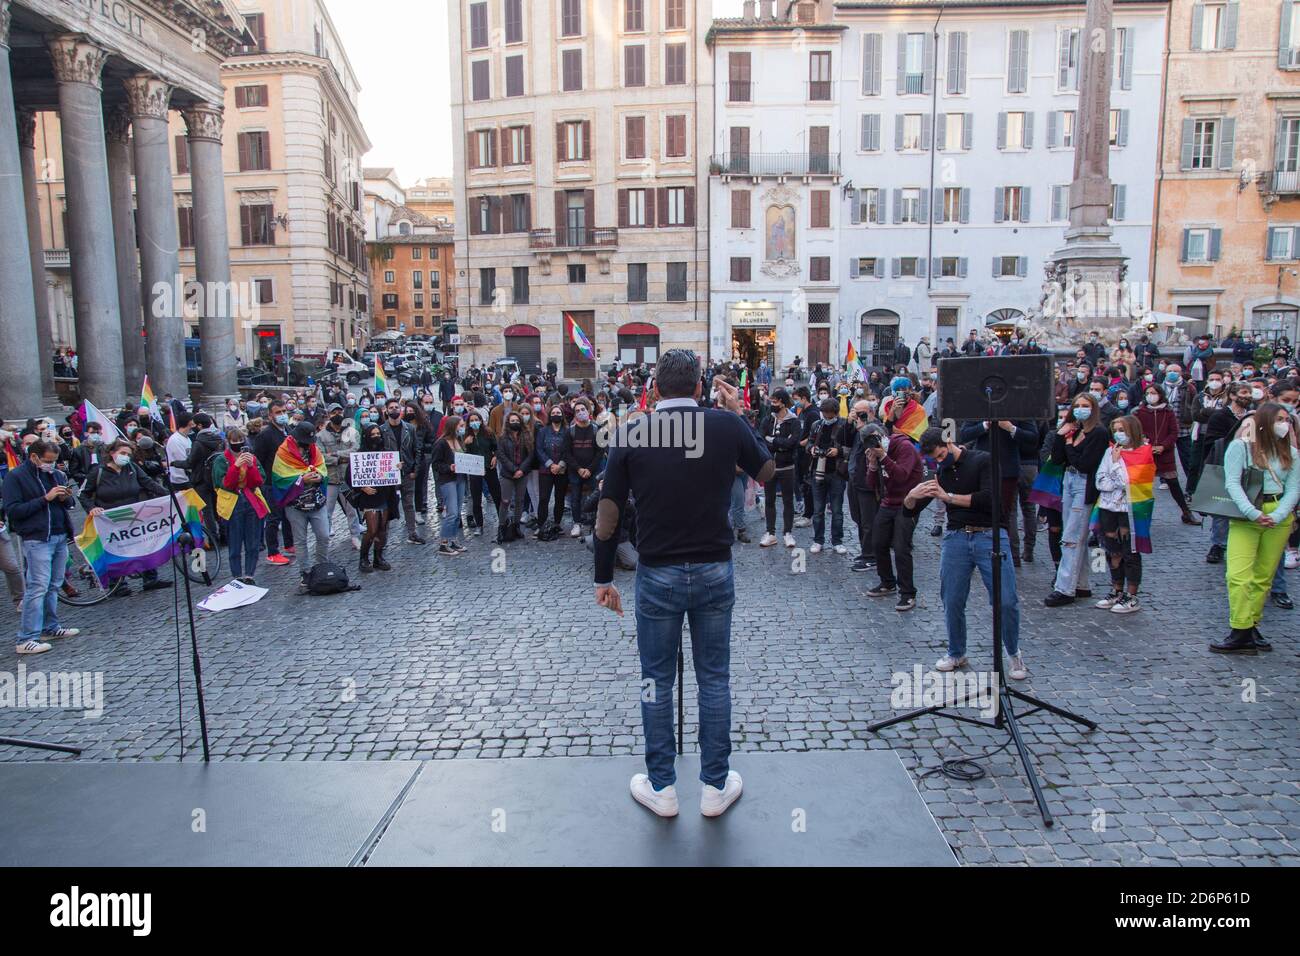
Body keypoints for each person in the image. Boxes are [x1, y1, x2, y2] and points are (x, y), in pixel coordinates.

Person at [594, 351, 773, 819]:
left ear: (654, 389)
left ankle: (662, 787)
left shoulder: (631, 430)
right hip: (714, 567)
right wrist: (736, 415)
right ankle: (715, 785)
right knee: (714, 678)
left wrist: (601, 576)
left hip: (657, 573)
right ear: (699, 387)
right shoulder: (726, 426)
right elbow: (769, 472)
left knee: (656, 680)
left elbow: (608, 512)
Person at [909, 428, 1026, 680]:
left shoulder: (982, 460)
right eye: (935, 460)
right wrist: (910, 497)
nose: (940, 461)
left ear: (948, 442)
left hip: (990, 533)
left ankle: (1013, 652)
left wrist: (948, 497)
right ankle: (956, 651)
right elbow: (912, 509)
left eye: (941, 455)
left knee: (1005, 599)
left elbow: (990, 499)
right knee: (952, 598)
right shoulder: (939, 471)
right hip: (956, 537)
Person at [1213, 403, 1300, 654]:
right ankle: (1240, 628)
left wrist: (1280, 514)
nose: (1284, 424)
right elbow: (1231, 482)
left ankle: (1251, 626)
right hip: (1246, 514)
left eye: (1287, 419)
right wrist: (1252, 513)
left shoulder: (1291, 454)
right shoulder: (1241, 447)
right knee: (1238, 576)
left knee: (1263, 578)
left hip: (1278, 515)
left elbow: (1293, 488)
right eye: (1279, 419)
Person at [1, 440, 81, 655]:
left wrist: (65, 499)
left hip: (58, 534)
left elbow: (67, 505)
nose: (51, 465)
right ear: (34, 457)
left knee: (54, 585)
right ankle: (26, 638)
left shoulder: (55, 474)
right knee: (37, 587)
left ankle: (50, 627)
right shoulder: (15, 477)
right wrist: (45, 499)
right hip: (37, 538)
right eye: (48, 461)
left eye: (54, 461)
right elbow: (13, 511)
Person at [80, 437, 173, 596]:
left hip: (133, 515)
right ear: (112, 453)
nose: (126, 457)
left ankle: (150, 579)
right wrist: (92, 508)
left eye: (129, 454)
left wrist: (170, 495)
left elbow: (148, 483)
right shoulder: (98, 472)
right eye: (123, 453)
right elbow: (83, 495)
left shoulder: (132, 467)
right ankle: (118, 584)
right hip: (109, 519)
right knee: (115, 550)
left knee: (143, 545)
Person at [1045, 392, 1110, 606]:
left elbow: (1085, 463)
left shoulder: (1098, 433)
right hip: (1069, 480)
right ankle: (1081, 583)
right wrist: (1061, 436)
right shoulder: (1075, 429)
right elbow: (1057, 458)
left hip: (1084, 482)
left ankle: (1064, 587)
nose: (1081, 408)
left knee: (1072, 537)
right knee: (1072, 534)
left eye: (1085, 405)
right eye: (1078, 405)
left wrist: (1070, 444)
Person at [866, 396, 926, 612]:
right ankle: (887, 582)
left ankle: (908, 593)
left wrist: (883, 459)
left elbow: (901, 475)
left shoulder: (904, 447)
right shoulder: (875, 453)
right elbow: (871, 483)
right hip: (888, 501)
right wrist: (873, 464)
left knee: (901, 547)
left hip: (908, 502)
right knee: (878, 543)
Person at [275, 423, 330, 593]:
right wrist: (301, 479)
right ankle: (305, 573)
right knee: (300, 540)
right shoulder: (283, 453)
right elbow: (280, 477)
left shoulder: (314, 449)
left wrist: (318, 476)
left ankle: (321, 567)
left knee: (324, 535)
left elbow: (323, 468)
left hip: (316, 500)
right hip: (295, 505)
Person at [1136, 383, 1201, 526]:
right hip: (1145, 453)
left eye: (1153, 393)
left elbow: (1173, 432)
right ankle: (1142, 514)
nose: (1150, 396)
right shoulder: (1139, 412)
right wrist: (1144, 443)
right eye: (1148, 393)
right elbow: (1135, 431)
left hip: (1165, 454)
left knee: (1174, 484)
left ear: (1160, 394)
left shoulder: (1168, 411)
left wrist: (1163, 446)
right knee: (1142, 486)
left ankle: (1186, 512)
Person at [212, 427, 268, 585]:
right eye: (234, 442)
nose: (237, 445)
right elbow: (225, 484)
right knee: (235, 542)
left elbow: (258, 481)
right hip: (232, 502)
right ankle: (236, 575)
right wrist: (236, 467)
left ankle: (250, 574)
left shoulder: (252, 458)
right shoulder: (221, 460)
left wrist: (250, 467)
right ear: (228, 443)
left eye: (240, 441)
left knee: (253, 541)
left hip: (251, 500)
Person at [349, 423, 398, 572]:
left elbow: (393, 471)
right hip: (369, 496)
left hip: (385, 495)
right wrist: (362, 487)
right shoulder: (360, 454)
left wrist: (397, 468)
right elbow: (349, 477)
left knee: (382, 529)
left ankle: (378, 557)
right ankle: (363, 559)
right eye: (373, 435)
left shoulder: (386, 452)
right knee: (372, 529)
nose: (376, 437)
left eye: (378, 434)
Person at [807, 397, 851, 554]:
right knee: (818, 510)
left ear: (836, 413)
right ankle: (818, 540)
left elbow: (851, 447)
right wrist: (812, 449)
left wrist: (838, 452)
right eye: (824, 414)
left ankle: (837, 541)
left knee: (837, 510)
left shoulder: (844, 425)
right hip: (817, 471)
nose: (827, 417)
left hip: (837, 472)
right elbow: (809, 443)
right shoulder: (816, 426)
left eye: (830, 415)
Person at [253, 400, 295, 565]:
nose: (282, 415)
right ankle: (273, 552)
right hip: (271, 482)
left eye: (284, 411)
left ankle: (289, 544)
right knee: (273, 518)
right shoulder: (265, 435)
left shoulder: (289, 430)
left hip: (287, 480)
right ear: (270, 415)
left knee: (287, 516)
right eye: (278, 412)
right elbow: (259, 459)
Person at [759, 387, 801, 548]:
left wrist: (774, 441)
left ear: (782, 403)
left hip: (787, 467)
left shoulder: (794, 421)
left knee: (788, 500)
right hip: (770, 466)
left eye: (775, 402)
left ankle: (787, 533)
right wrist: (781, 443)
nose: (772, 405)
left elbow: (793, 443)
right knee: (769, 500)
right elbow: (761, 439)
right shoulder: (767, 420)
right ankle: (770, 533)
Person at [318, 404, 363, 551]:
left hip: (347, 477)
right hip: (330, 479)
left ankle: (355, 536)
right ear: (328, 414)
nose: (337, 414)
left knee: (352, 509)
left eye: (339, 411)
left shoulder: (352, 432)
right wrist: (340, 458)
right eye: (334, 412)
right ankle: (323, 539)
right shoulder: (321, 435)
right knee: (326, 511)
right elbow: (321, 457)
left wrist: (336, 455)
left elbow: (355, 450)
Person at [381, 397, 424, 545]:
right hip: (389, 475)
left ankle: (412, 533)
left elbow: (417, 450)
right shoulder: (382, 430)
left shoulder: (409, 428)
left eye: (396, 407)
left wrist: (414, 470)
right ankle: (383, 536)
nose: (394, 410)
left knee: (409, 504)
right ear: (386, 411)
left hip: (407, 472)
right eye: (391, 407)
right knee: (387, 505)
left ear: (401, 410)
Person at [430, 415, 468, 556]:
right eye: (461, 425)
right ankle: (444, 542)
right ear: (453, 426)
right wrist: (449, 467)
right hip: (448, 480)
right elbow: (436, 464)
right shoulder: (441, 443)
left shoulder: (459, 440)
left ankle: (453, 539)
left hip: (460, 479)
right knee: (451, 512)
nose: (462, 428)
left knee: (457, 512)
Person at [495, 408, 533, 543]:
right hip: (507, 474)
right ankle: (501, 527)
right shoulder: (502, 438)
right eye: (512, 421)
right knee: (505, 501)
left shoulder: (526, 435)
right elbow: (501, 455)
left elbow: (530, 455)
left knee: (519, 501)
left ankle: (516, 526)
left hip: (522, 473)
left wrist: (521, 470)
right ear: (508, 423)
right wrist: (514, 469)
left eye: (517, 420)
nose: (515, 422)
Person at [535, 401, 571, 540]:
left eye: (558, 413)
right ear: (550, 415)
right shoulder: (543, 431)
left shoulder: (567, 432)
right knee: (544, 498)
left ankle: (557, 523)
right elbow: (539, 449)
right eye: (554, 413)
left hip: (561, 470)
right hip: (546, 469)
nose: (556, 415)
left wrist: (560, 465)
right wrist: (550, 464)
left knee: (559, 498)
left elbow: (568, 450)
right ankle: (541, 525)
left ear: (562, 415)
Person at [462, 408, 498, 536]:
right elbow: (460, 453)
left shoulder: (488, 433)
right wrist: (465, 444)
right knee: (476, 498)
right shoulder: (465, 435)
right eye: (472, 421)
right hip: (474, 469)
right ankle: (479, 525)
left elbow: (496, 447)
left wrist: (495, 457)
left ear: (481, 421)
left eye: (476, 420)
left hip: (489, 467)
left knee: (496, 494)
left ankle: (502, 521)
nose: (474, 422)